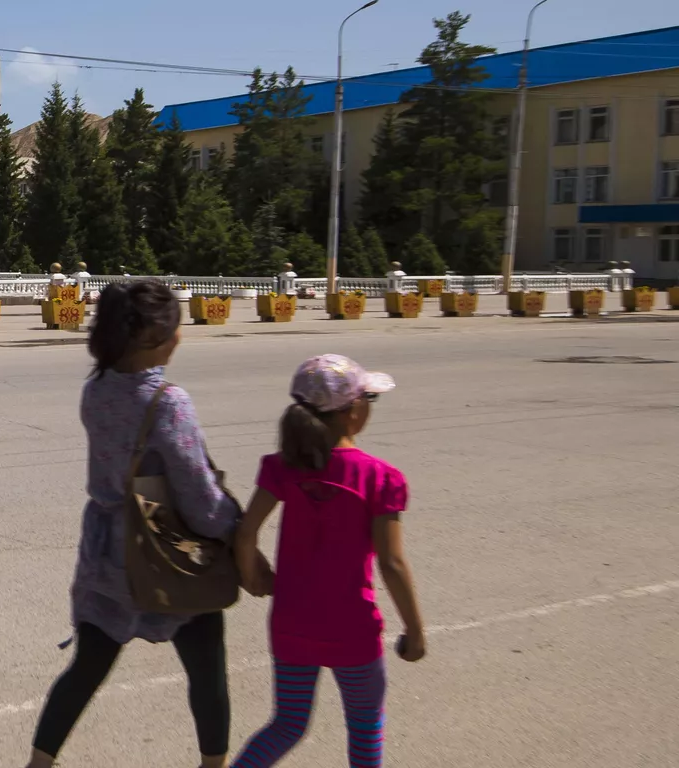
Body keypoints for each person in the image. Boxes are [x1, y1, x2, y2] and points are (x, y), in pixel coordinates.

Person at [25, 280, 243, 768]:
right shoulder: (168, 402)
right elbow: (198, 495)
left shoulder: (96, 389)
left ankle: (39, 763)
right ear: (154, 338)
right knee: (207, 670)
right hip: (169, 551)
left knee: (87, 668)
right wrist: (237, 533)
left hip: (107, 553)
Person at [228, 354, 426, 768]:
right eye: (369, 398)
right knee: (365, 725)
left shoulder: (282, 468)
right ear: (352, 412)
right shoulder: (380, 477)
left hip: (292, 624)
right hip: (352, 629)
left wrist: (253, 576)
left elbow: (246, 533)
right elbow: (391, 563)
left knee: (288, 724)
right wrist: (414, 630)